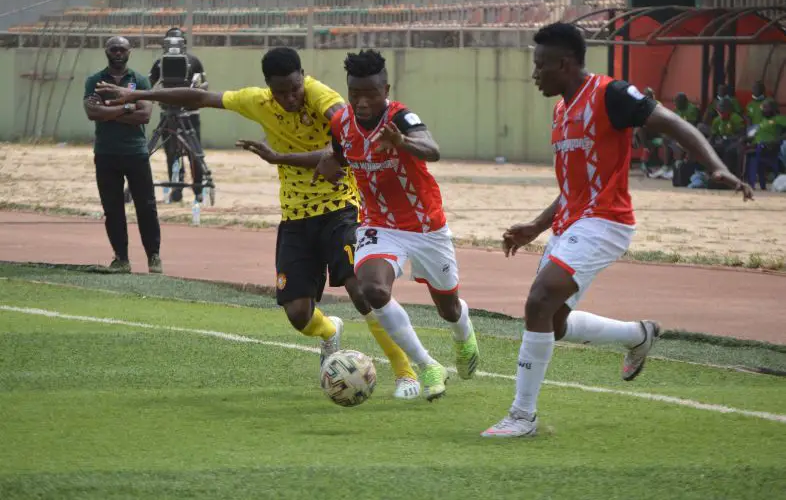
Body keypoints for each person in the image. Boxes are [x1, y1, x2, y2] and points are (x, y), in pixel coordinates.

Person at [95, 47, 420, 399]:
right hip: (295, 216)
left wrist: (286, 157)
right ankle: (329, 331)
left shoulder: (321, 97)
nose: (290, 97)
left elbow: (344, 139)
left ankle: (406, 372)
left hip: (342, 208)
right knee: (298, 313)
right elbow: (200, 97)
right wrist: (138, 95)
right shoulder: (257, 101)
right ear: (268, 87)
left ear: (303, 77)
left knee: (361, 290)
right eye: (281, 92)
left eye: (295, 88)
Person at [481, 22, 753, 438]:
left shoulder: (611, 94)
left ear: (565, 64)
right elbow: (574, 187)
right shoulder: (561, 110)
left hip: (605, 221)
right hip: (573, 222)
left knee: (538, 301)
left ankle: (522, 416)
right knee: (552, 322)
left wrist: (715, 166)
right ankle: (637, 335)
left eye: (540, 65)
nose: (534, 74)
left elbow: (673, 124)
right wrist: (536, 225)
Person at [312, 49, 480, 402]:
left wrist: (402, 142)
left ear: (385, 89)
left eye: (371, 93)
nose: (362, 102)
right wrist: (329, 163)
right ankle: (427, 365)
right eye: (355, 93)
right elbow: (341, 154)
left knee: (448, 308)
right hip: (379, 224)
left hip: (426, 226)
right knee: (372, 290)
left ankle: (464, 336)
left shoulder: (400, 117)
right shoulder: (341, 122)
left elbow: (432, 149)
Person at [83, 36, 162, 274]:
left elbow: (144, 115)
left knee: (146, 207)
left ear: (130, 52)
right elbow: (92, 113)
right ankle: (121, 258)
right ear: (107, 51)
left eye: (122, 49)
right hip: (106, 153)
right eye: (114, 49)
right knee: (113, 208)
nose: (118, 53)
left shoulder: (140, 80)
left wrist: (109, 109)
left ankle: (154, 256)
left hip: (135, 152)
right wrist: (128, 106)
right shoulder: (95, 81)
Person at [148, 27, 209, 202]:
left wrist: (195, 91)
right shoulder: (159, 63)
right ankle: (177, 188)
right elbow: (150, 84)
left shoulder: (193, 61)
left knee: (194, 152)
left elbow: (204, 85)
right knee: (171, 152)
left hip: (189, 113)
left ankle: (198, 188)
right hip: (167, 113)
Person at [745, 99, 786, 190]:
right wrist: (746, 139)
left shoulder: (779, 119)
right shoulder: (763, 121)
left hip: (769, 148)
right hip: (757, 146)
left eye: (766, 107)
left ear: (773, 108)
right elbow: (757, 134)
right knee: (739, 149)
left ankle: (751, 182)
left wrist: (777, 140)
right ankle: (743, 180)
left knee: (752, 152)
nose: (763, 109)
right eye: (762, 107)